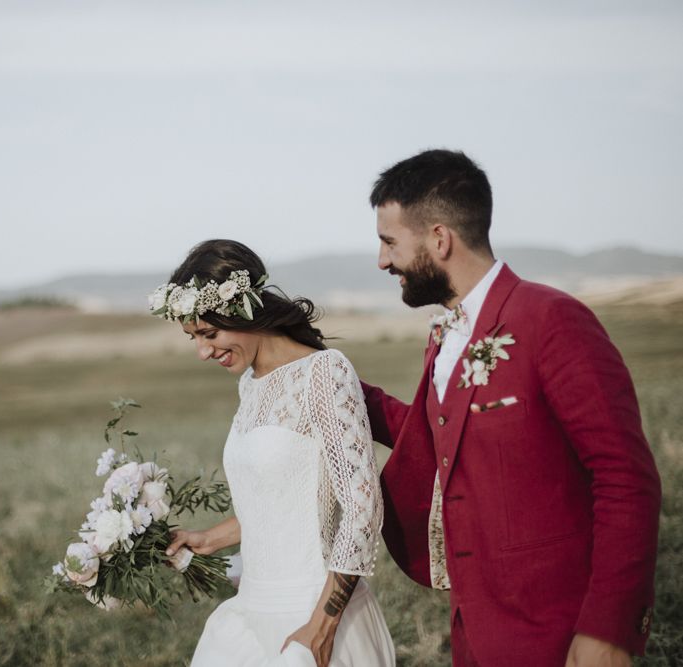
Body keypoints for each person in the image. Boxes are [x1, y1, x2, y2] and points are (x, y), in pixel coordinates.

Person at [360, 149, 661, 666]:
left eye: (389, 242)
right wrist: (330, 379)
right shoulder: (445, 335)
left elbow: (626, 479)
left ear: (439, 239)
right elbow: (431, 434)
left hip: (558, 633)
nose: (382, 261)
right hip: (475, 630)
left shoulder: (552, 320)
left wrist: (607, 632)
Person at [152, 239, 395, 667]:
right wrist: (208, 538)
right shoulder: (250, 384)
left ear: (245, 309)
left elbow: (362, 505)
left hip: (311, 617)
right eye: (192, 337)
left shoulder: (325, 371)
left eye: (209, 334)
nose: (203, 352)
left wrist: (321, 628)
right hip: (251, 610)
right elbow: (278, 504)